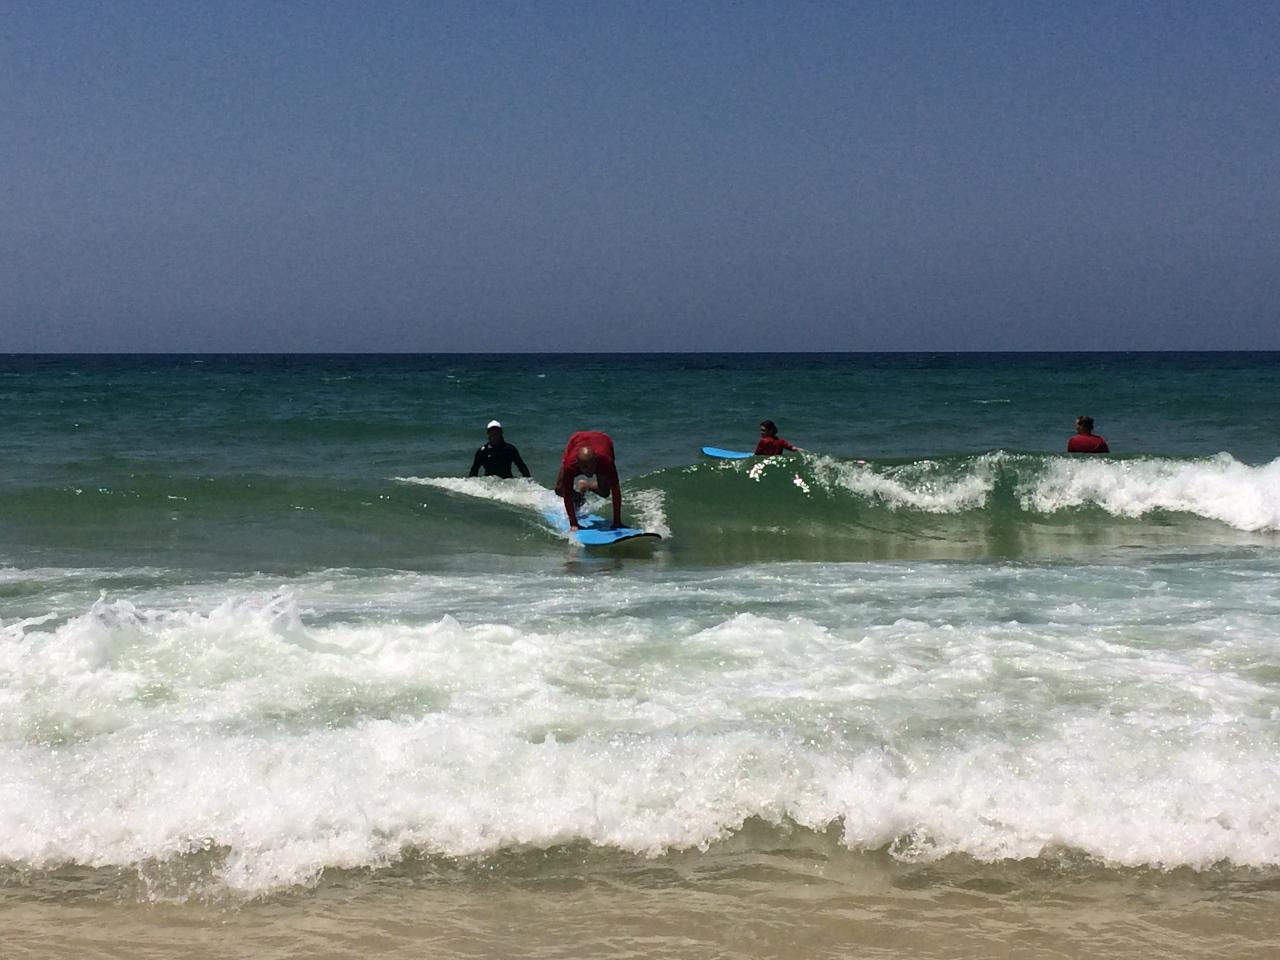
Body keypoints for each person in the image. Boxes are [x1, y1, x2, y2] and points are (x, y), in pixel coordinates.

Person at [554, 430, 622, 530]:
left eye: (592, 466)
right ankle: (578, 498)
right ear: (578, 464)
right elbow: (567, 494)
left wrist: (617, 521)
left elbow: (616, 491)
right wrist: (573, 523)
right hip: (577, 440)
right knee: (560, 489)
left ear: (596, 461)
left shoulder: (606, 461)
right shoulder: (570, 464)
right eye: (585, 468)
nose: (590, 471)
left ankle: (586, 486)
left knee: (604, 492)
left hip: (603, 440)